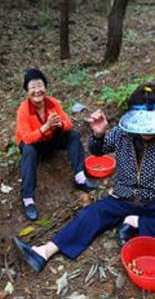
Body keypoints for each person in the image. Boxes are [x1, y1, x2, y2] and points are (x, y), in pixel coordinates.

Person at [13, 81, 155, 272]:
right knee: (90, 215)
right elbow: (98, 151)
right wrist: (99, 135)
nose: (145, 129)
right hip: (122, 197)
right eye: (141, 121)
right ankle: (43, 252)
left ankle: (135, 223)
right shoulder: (124, 132)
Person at [15, 68, 97, 221]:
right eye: (32, 87)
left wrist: (59, 125)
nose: (37, 90)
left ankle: (80, 177)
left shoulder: (52, 103)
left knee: (71, 135)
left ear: (45, 87)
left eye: (40, 86)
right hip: (33, 144)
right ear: (27, 91)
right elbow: (26, 138)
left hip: (49, 140)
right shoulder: (23, 110)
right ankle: (28, 199)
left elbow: (68, 124)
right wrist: (45, 127)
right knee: (29, 150)